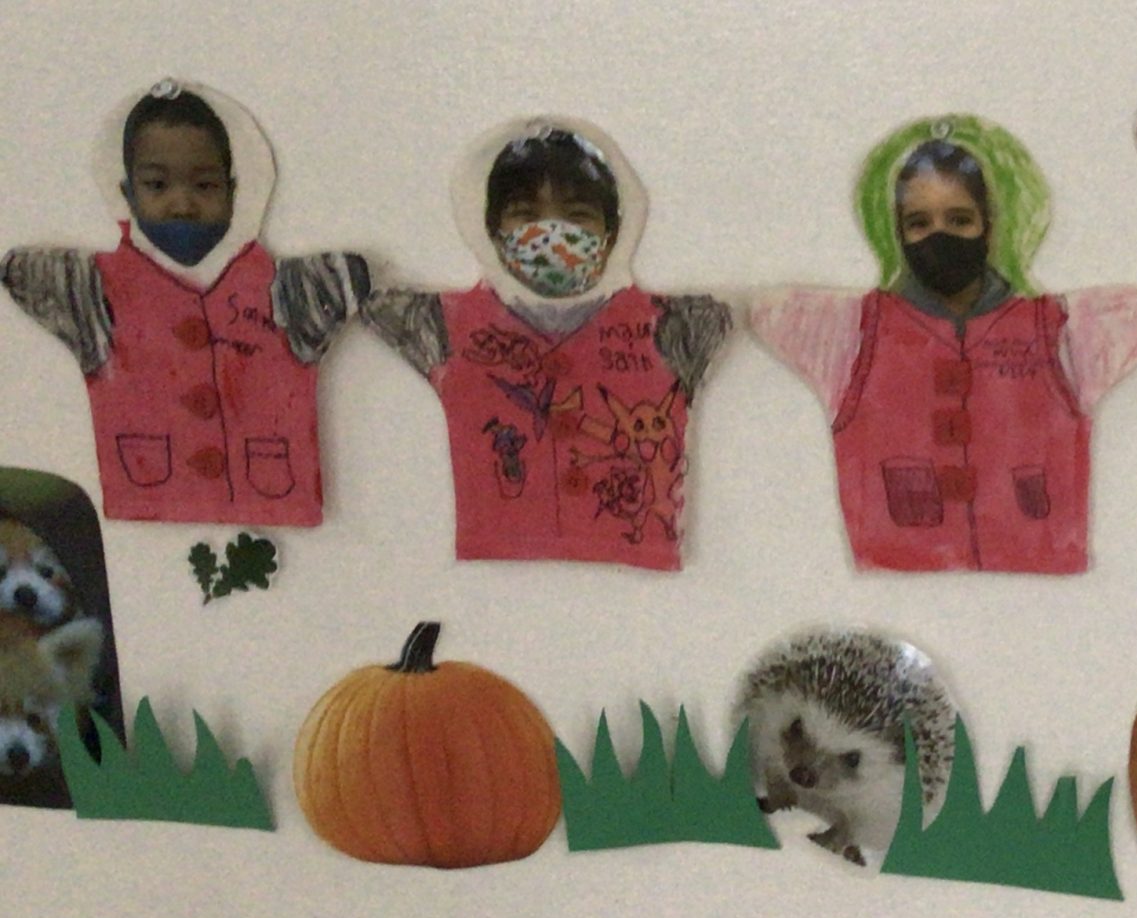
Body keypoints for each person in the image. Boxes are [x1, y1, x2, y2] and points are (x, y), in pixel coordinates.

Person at [750, 115, 1137, 574]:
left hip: (1043, 584)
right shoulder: (852, 331)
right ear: (895, 232)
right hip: (894, 583)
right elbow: (768, 312)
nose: (938, 236)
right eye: (918, 223)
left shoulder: (1063, 329)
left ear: (990, 224)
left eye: (959, 219)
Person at [362, 119, 731, 570]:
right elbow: (364, 295)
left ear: (612, 232)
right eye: (525, 214)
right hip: (494, 574)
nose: (551, 233)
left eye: (577, 215)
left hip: (637, 560)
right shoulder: (441, 325)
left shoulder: (679, 327)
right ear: (493, 231)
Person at [0, 80, 371, 527]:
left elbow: (358, 276)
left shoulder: (295, 289)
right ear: (127, 193)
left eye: (205, 185)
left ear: (234, 192)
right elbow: (19, 270)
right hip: (148, 519)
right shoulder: (89, 292)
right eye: (157, 184)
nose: (182, 204)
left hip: (276, 508)